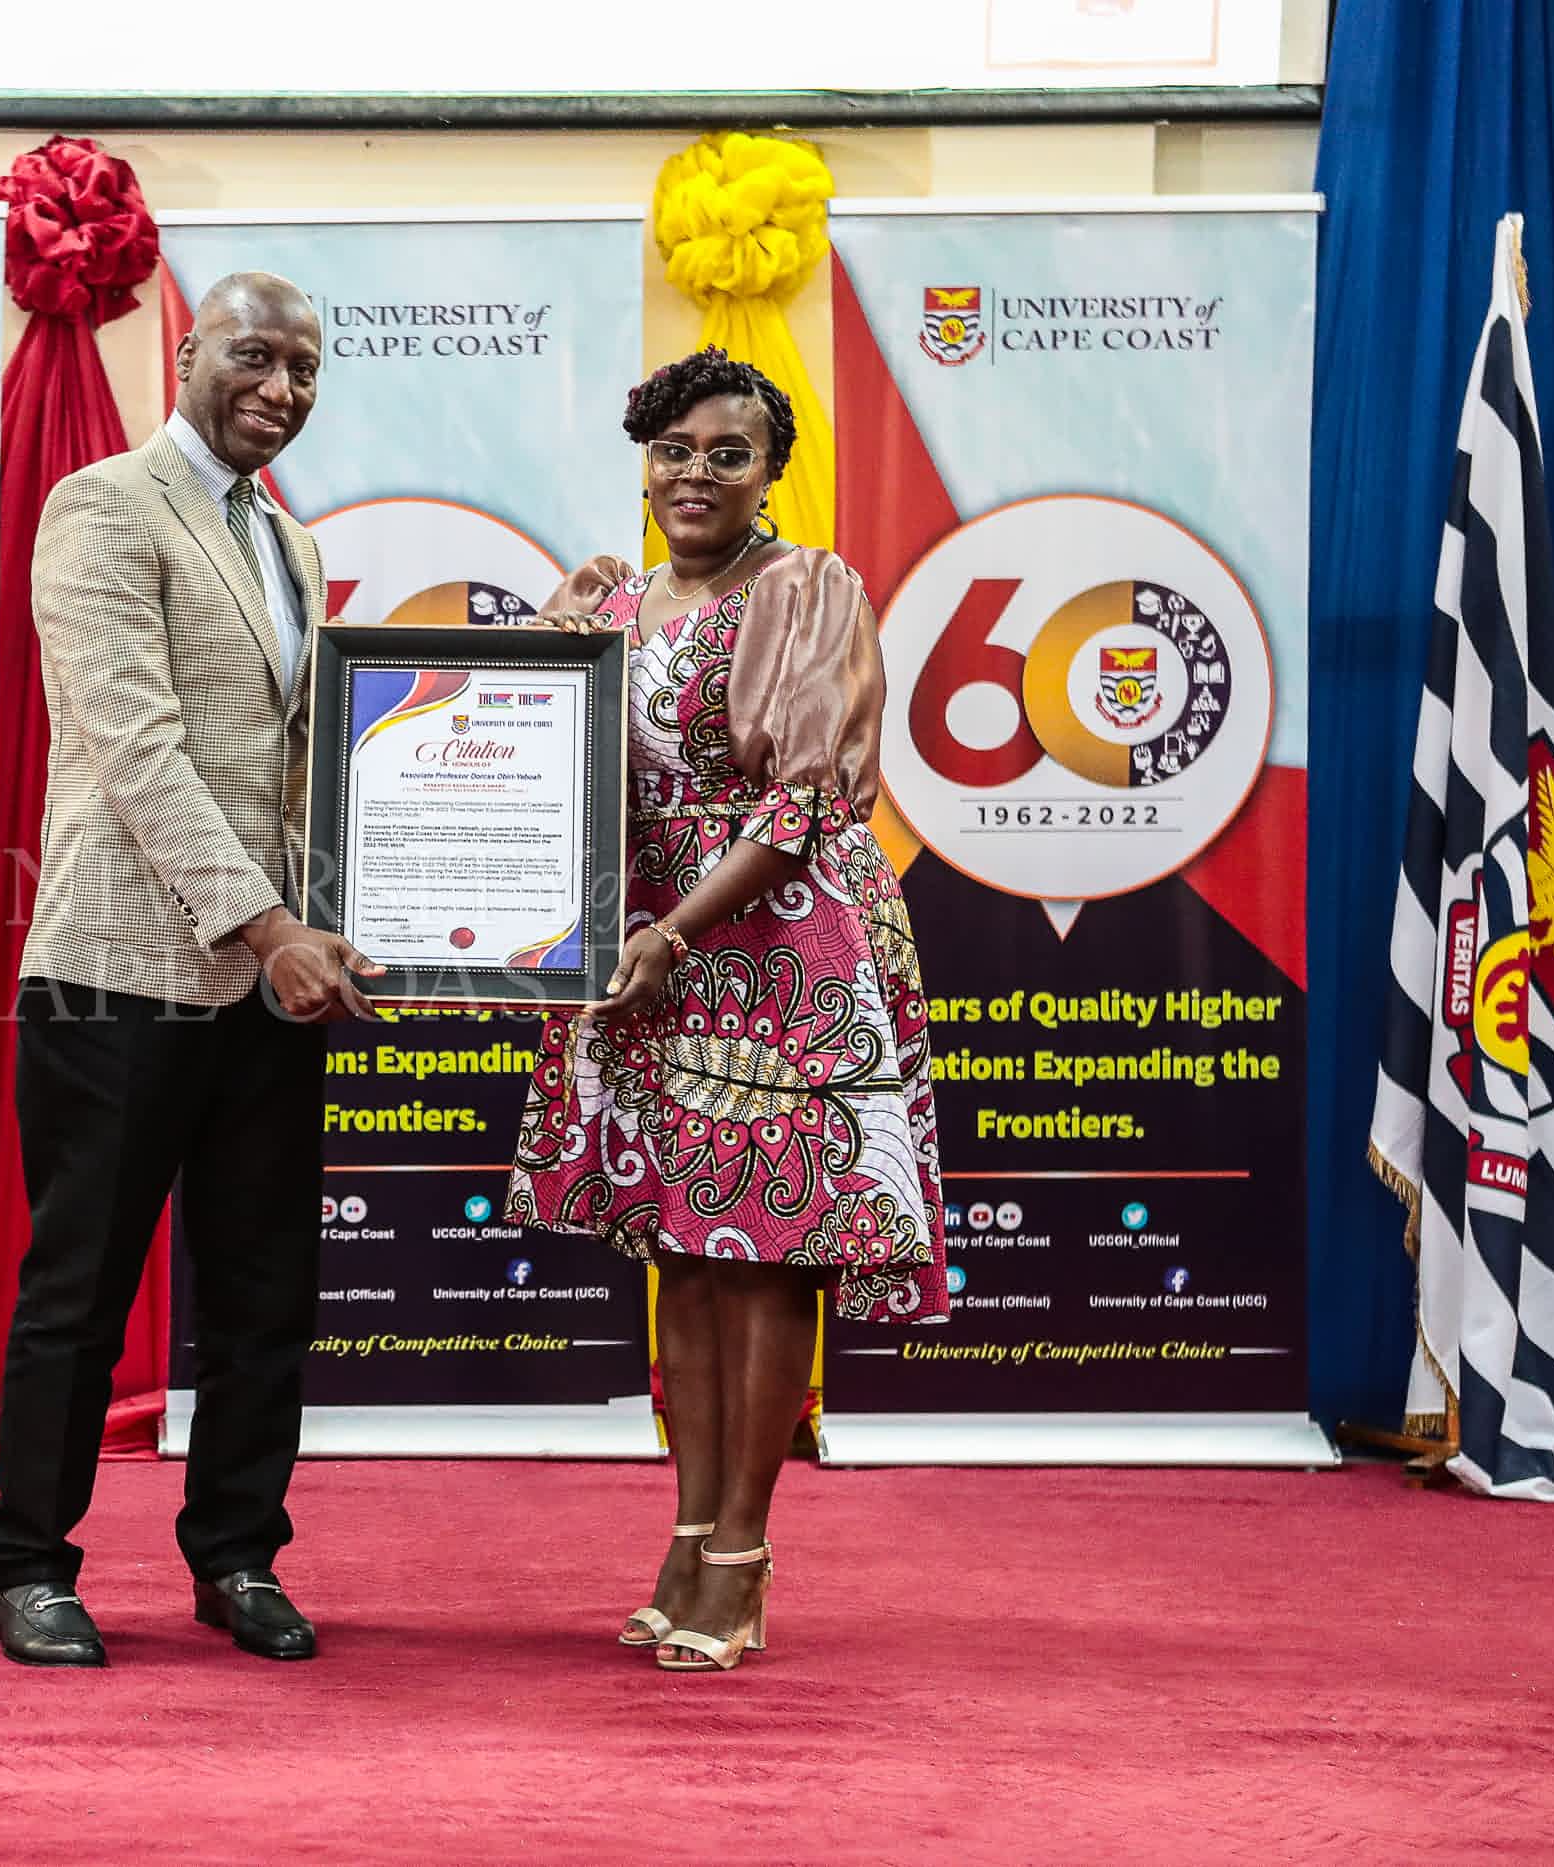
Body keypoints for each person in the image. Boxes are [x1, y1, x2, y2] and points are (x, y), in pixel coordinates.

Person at [508, 348, 948, 1674]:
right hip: (642, 949)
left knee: (766, 1256)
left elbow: (809, 802)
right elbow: (524, 755)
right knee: (685, 1257)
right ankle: (689, 1531)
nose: (695, 474)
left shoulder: (807, 591)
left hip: (781, 946)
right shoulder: (615, 602)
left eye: (728, 452)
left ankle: (745, 1553)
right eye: (673, 449)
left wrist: (674, 930)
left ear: (771, 472)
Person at [0, 272, 380, 1667]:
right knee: (79, 1296)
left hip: (272, 986)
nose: (281, 386)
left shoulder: (291, 541)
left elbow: (306, 766)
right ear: (189, 355)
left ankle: (239, 1561)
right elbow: (140, 751)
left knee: (267, 1294)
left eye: (307, 367)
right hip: (119, 973)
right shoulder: (102, 506)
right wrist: (273, 928)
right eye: (256, 356)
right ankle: (30, 1567)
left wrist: (353, 910)